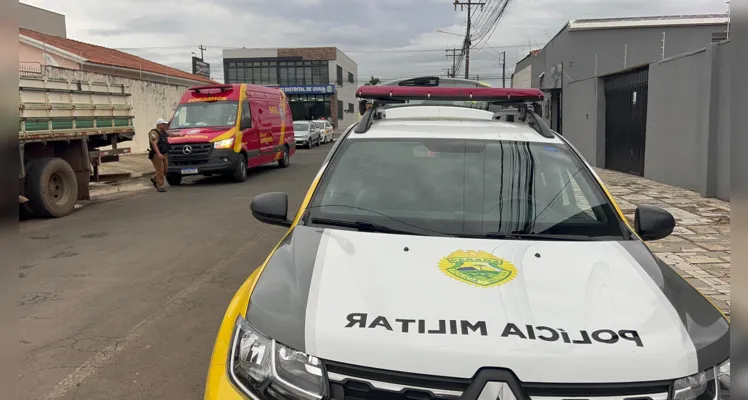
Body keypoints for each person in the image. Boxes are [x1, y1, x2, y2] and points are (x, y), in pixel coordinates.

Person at [149, 118, 184, 192]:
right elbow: (154, 144)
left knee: (165, 170)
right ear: (159, 125)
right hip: (157, 154)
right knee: (160, 170)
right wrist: (158, 153)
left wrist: (179, 135)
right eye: (164, 124)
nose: (165, 125)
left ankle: (154, 178)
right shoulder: (154, 133)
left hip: (164, 153)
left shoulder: (163, 132)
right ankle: (160, 186)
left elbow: (170, 134)